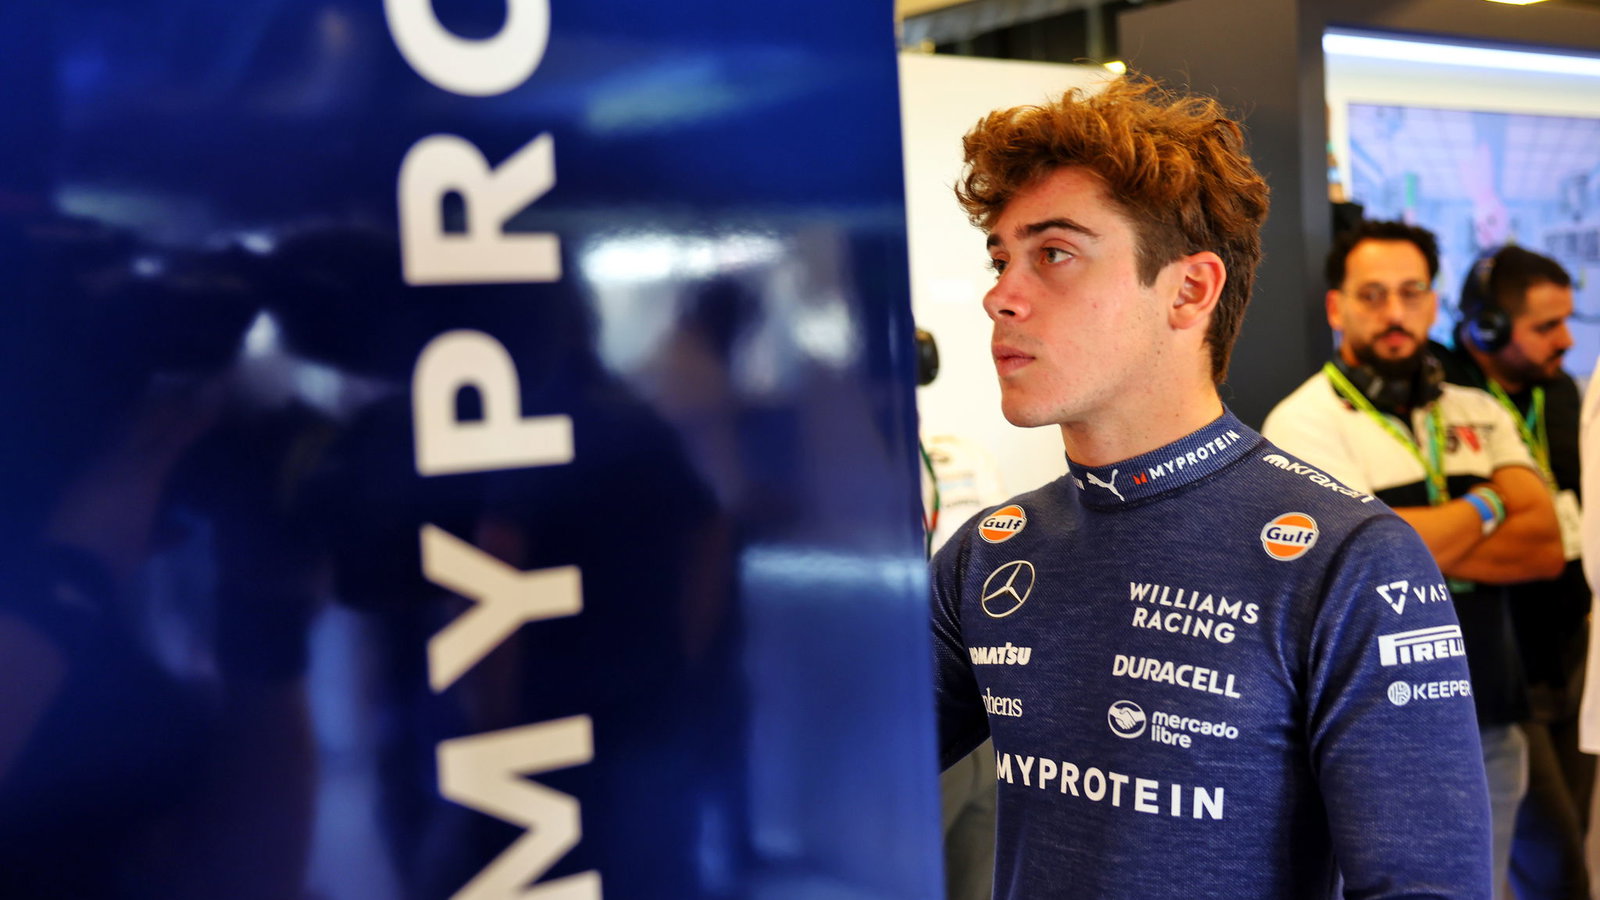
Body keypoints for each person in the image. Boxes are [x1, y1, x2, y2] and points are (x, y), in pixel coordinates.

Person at [930, 76, 1492, 899]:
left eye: (1053, 254)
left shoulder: (1350, 560)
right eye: (1001, 258)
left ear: (1190, 290)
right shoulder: (988, 553)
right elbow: (828, 765)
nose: (1000, 296)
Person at [1262, 220, 1565, 900]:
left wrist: (1416, 537)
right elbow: (1360, 564)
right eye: (1372, 295)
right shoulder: (1303, 423)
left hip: (1490, 712)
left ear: (1433, 303)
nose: (1394, 313)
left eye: (1411, 292)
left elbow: (1545, 544)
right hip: (1371, 724)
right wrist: (1489, 502)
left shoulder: (1478, 409)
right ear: (1337, 306)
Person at [1433, 245, 1590, 900]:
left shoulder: (1561, 392)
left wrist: (1484, 529)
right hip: (1498, 660)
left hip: (1568, 643)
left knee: (1572, 828)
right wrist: (1487, 527)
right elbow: (1420, 538)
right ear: (1488, 327)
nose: (1567, 340)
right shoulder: (1446, 394)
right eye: (1547, 326)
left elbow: (1552, 535)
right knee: (1553, 858)